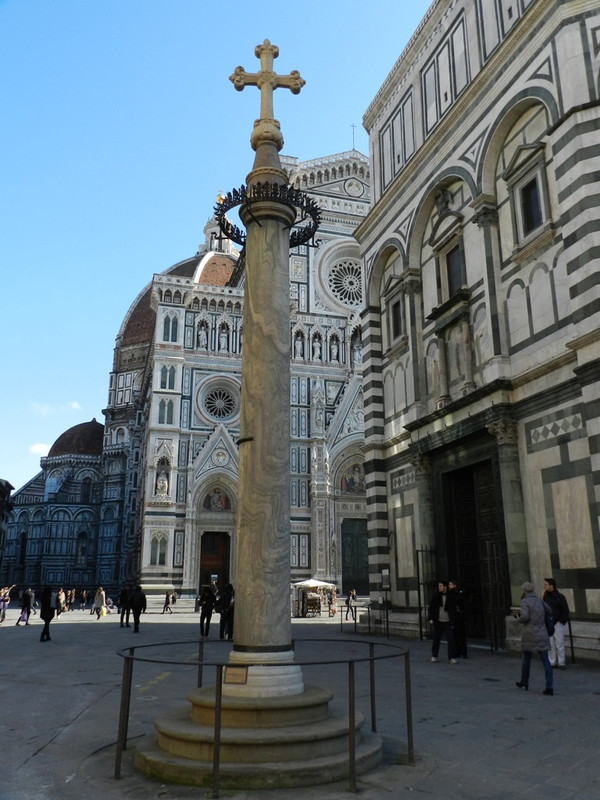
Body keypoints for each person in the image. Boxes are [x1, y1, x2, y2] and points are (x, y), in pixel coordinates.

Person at [515, 581, 554, 695]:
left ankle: (524, 681)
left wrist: (518, 618)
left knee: (526, 659)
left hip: (530, 633)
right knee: (545, 661)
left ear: (524, 590)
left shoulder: (525, 601)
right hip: (542, 632)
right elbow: (549, 610)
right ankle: (549, 686)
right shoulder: (539, 600)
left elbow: (525, 616)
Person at [543, 578, 570, 670]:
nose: (544, 586)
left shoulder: (559, 597)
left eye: (546, 584)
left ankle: (561, 662)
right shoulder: (545, 596)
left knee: (559, 643)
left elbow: (565, 609)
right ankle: (552, 661)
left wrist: (562, 620)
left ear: (551, 586)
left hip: (558, 622)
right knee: (551, 643)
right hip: (549, 621)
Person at [428, 581, 457, 663]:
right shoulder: (435, 596)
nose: (439, 587)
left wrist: (453, 621)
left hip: (447, 621)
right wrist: (431, 618)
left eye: (441, 586)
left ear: (445, 587)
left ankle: (452, 657)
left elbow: (453, 610)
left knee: (451, 639)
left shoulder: (450, 597)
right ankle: (434, 655)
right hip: (438, 621)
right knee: (436, 639)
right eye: (439, 586)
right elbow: (431, 607)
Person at [447, 579, 468, 658]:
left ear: (455, 585)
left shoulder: (459, 594)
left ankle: (463, 652)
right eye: (449, 585)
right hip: (454, 617)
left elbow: (462, 604)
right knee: (456, 636)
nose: (449, 586)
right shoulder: (450, 594)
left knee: (461, 636)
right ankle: (458, 651)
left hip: (459, 617)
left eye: (450, 584)